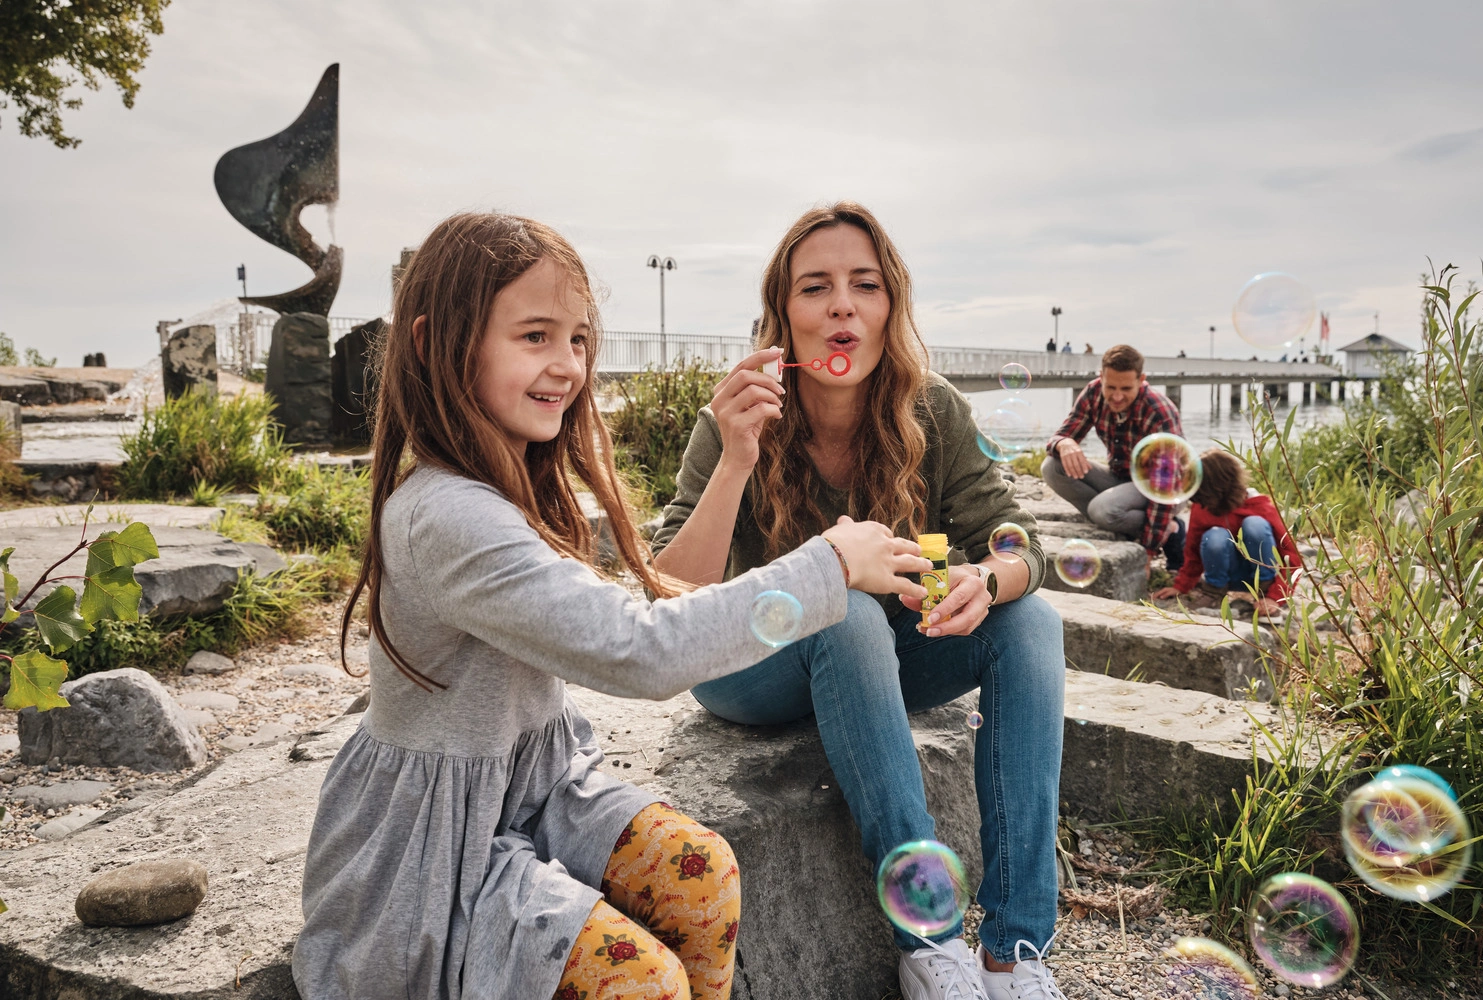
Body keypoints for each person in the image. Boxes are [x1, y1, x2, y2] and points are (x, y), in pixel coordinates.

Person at [292, 213, 932, 1000]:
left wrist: (745, 469)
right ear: (431, 345)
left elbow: (633, 604)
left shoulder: (508, 484)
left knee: (704, 878)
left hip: (534, 790)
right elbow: (641, 648)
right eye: (534, 337)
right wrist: (829, 563)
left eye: (579, 339)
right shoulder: (449, 517)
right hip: (439, 843)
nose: (566, 366)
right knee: (645, 979)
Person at [653, 202, 1067, 1000]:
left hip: (877, 657)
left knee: (1032, 623)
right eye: (816, 287)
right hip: (748, 663)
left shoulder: (932, 408)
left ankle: (1016, 951)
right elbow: (674, 592)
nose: (842, 303)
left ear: (888, 308)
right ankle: (932, 947)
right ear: (785, 315)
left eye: (864, 285)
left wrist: (989, 578)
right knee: (842, 605)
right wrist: (736, 459)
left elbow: (1017, 537)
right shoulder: (736, 412)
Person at [1040, 345, 1187, 569]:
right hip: (1121, 478)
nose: (1117, 396)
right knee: (1052, 467)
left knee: (1103, 510)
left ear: (1142, 379)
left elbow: (1165, 485)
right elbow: (1061, 435)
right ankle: (1119, 520)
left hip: (1165, 488)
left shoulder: (1159, 412)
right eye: (1111, 387)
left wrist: (1147, 551)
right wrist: (1064, 442)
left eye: (1126, 388)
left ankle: (1169, 528)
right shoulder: (1093, 392)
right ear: (1101, 377)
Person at [1152, 449, 1303, 617]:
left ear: (1217, 487)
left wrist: (1275, 596)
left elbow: (1292, 557)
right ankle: (1214, 592)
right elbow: (1192, 552)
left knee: (1255, 525)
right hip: (1226, 577)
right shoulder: (1202, 508)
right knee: (1215, 535)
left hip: (1260, 578)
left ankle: (1263, 592)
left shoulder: (1260, 507)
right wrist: (1181, 586)